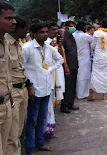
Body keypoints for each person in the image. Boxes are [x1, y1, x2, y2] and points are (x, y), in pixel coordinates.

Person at [23, 22, 64, 154]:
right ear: (34, 34)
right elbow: (20, 69)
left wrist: (50, 70)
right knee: (32, 120)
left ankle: (40, 143)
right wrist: (29, 86)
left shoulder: (48, 47)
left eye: (46, 32)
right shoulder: (27, 48)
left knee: (42, 118)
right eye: (42, 32)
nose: (45, 34)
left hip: (46, 88)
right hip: (34, 90)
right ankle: (30, 148)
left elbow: (60, 59)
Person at [5, 16, 32, 155]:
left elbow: (21, 68)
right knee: (12, 134)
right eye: (26, 29)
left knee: (19, 130)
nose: (27, 32)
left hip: (22, 90)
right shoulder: (6, 44)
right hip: (12, 92)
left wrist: (28, 86)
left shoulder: (18, 43)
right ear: (19, 29)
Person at [0, 2, 16, 155]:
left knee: (7, 147)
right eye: (8, 18)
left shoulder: (5, 41)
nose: (14, 22)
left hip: (6, 103)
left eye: (14, 18)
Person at [89, 20, 107, 101]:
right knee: (105, 74)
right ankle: (103, 95)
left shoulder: (97, 33)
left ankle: (92, 95)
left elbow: (92, 45)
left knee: (95, 74)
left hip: (98, 56)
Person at [61, 20, 79, 113]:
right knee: (67, 87)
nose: (73, 28)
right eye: (72, 26)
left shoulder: (71, 36)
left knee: (72, 86)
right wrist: (66, 66)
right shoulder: (63, 38)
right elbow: (62, 53)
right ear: (67, 27)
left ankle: (71, 103)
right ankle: (65, 105)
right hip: (68, 65)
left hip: (74, 64)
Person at [73, 21, 92, 99]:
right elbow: (93, 42)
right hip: (84, 56)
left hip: (76, 56)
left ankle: (78, 92)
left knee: (78, 74)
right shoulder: (86, 36)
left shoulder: (73, 35)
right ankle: (82, 93)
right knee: (84, 75)